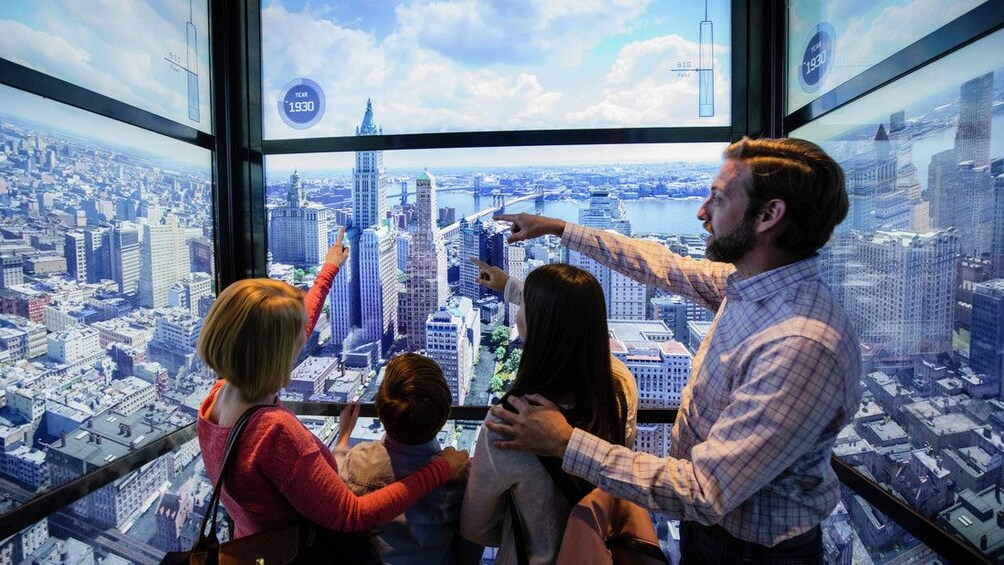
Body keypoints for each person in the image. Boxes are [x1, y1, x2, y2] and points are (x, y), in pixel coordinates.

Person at [485, 137, 862, 564]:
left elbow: (704, 489)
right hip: (719, 539)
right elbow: (659, 264)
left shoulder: (799, 346)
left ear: (769, 216)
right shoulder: (751, 289)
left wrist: (566, 441)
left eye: (717, 199)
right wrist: (559, 229)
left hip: (753, 554)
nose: (702, 212)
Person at [196, 228, 469, 542]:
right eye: (298, 340)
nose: (306, 337)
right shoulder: (275, 434)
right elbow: (352, 514)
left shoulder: (218, 398)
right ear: (278, 354)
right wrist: (441, 470)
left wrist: (329, 270)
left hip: (253, 544)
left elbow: (286, 329)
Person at [461, 262, 638, 565]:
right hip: (604, 551)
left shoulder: (509, 422)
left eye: (523, 307)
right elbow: (573, 322)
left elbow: (476, 527)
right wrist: (509, 286)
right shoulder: (619, 387)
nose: (517, 312)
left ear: (536, 327)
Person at [338, 353, 483, 564]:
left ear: (380, 411)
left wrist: (343, 437)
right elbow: (471, 546)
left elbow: (333, 481)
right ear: (444, 414)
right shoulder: (463, 479)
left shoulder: (358, 463)